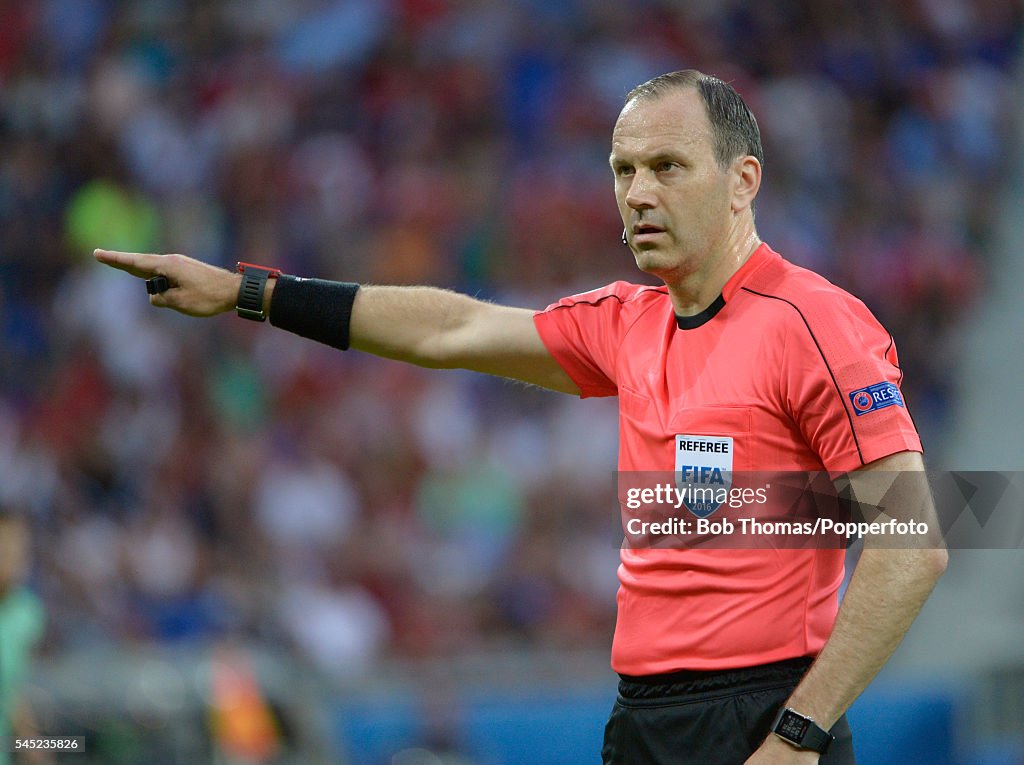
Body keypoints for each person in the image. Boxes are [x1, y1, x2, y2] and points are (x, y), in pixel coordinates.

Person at [95, 69, 947, 764]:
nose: (639, 193)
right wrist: (250, 293)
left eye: (668, 166)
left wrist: (797, 734)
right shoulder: (627, 322)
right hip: (643, 720)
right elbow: (451, 328)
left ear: (742, 181)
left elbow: (914, 543)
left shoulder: (814, 324)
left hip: (763, 715)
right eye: (623, 170)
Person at [0, 512, 48, 765]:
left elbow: (12, 692)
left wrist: (35, 749)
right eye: (5, 548)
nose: (14, 557)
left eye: (21, 549)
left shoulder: (27, 612)